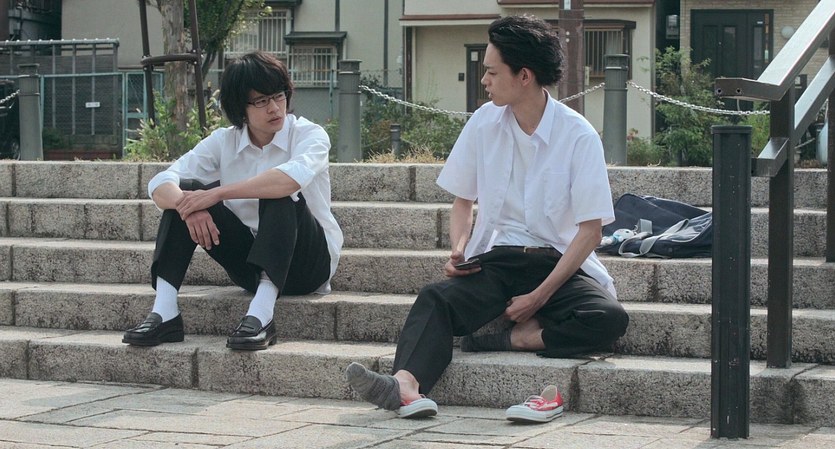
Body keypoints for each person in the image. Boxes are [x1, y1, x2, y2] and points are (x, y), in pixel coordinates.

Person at [345, 14, 629, 420]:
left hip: (557, 263)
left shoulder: (578, 135)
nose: (484, 81)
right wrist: (459, 249)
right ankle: (405, 385)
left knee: (608, 318)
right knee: (435, 297)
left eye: (493, 72)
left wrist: (539, 297)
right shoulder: (483, 122)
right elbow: (463, 200)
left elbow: (590, 232)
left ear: (524, 75)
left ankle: (520, 338)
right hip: (498, 261)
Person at [123, 51, 343, 351]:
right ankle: (165, 312)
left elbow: (289, 180)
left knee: (278, 191)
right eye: (261, 101)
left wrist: (217, 193)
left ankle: (261, 315)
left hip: (307, 264)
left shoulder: (309, 135)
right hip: (250, 265)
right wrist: (189, 208)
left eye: (278, 96)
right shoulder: (224, 141)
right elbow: (160, 183)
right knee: (184, 193)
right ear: (240, 108)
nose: (274, 108)